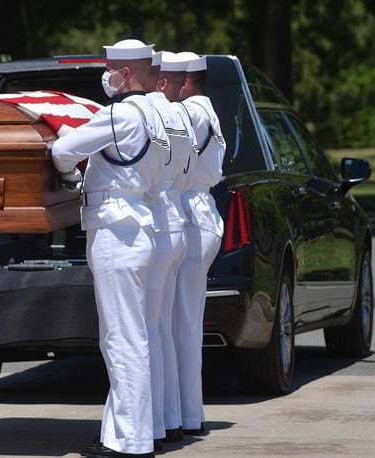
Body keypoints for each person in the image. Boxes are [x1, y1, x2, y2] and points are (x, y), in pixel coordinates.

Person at [52, 39, 165, 458]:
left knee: (121, 340)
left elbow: (63, 151)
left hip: (117, 231)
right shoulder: (157, 111)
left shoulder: (121, 113)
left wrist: (65, 168)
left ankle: (131, 443)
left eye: (110, 69)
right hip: (140, 224)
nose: (107, 77)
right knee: (134, 336)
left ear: (125, 73)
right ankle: (126, 434)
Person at [172, 51, 226, 436]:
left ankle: (187, 415)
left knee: (183, 323)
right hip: (198, 214)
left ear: (186, 82)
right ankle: (185, 412)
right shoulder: (205, 109)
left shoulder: (193, 113)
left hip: (192, 215)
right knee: (182, 321)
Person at [143, 51, 195, 444]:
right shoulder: (180, 116)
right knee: (165, 329)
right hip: (177, 214)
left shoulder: (147, 113)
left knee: (150, 330)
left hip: (157, 217)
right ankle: (173, 419)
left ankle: (158, 424)